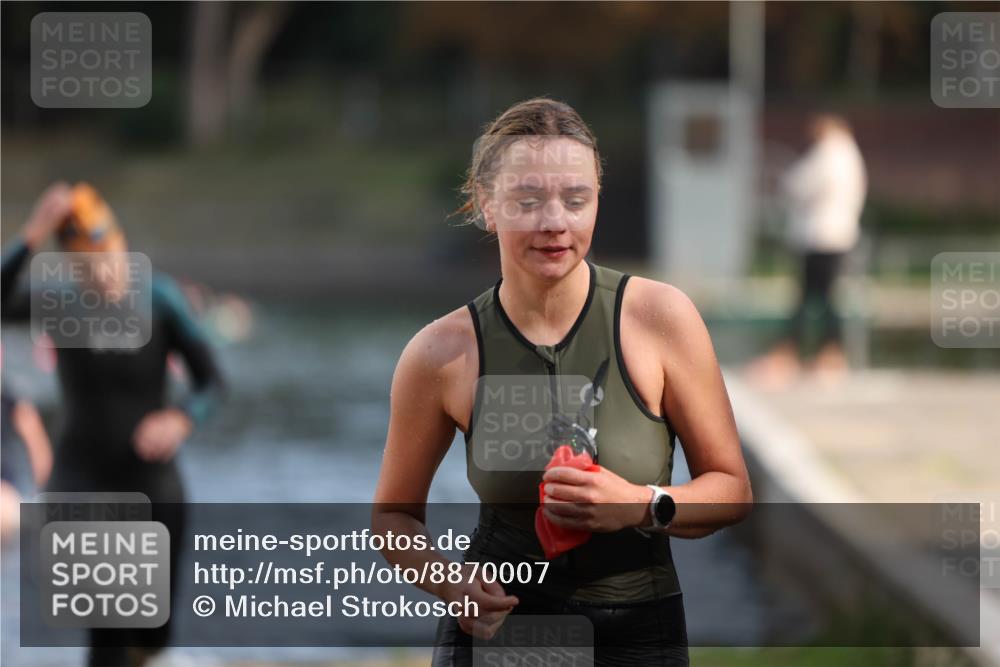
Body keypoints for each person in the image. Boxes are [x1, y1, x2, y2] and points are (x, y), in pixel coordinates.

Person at [373, 98, 752, 666]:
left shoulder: (659, 319)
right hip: (502, 637)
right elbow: (393, 518)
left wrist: (641, 504)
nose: (555, 221)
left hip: (637, 632)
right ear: (486, 206)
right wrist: (453, 586)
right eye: (528, 201)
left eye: (576, 200)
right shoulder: (441, 353)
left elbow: (731, 489)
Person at [1, 182, 225, 667]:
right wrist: (33, 231)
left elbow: (212, 382)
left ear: (120, 244)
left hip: (154, 485)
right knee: (107, 636)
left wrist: (181, 419)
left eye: (105, 261)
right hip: (83, 483)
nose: (99, 277)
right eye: (83, 269)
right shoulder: (61, 302)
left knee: (152, 636)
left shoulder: (161, 299)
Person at [747, 114, 867, 388]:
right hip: (838, 237)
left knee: (808, 300)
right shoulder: (850, 156)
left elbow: (799, 184)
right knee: (825, 299)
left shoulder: (830, 153)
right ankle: (828, 355)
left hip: (820, 238)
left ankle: (792, 355)